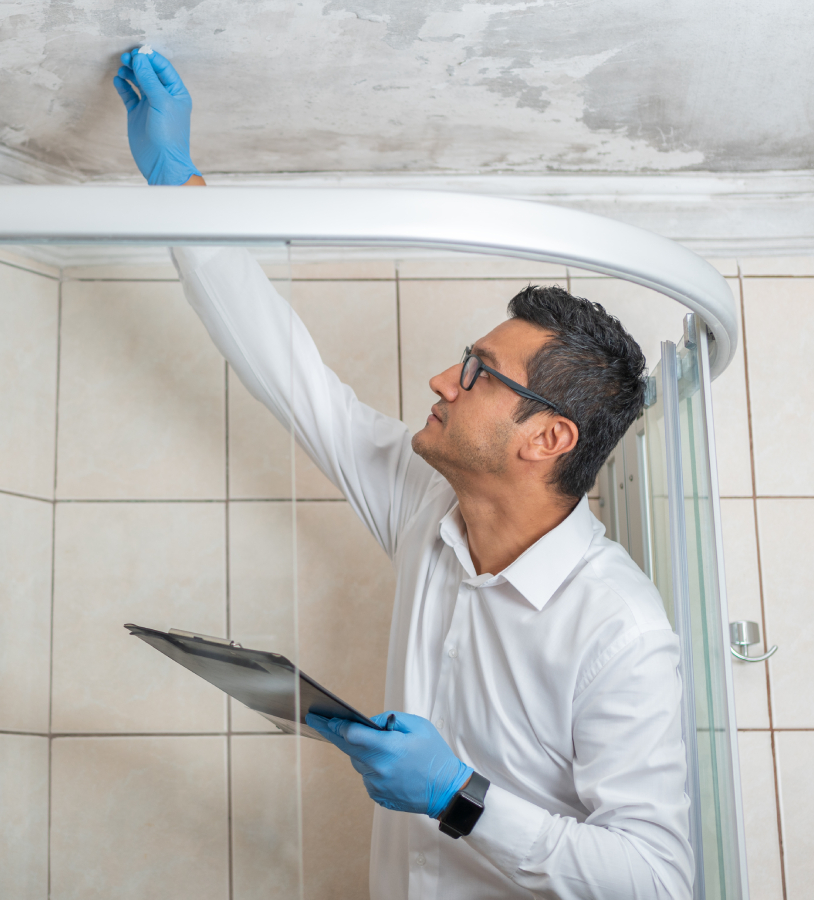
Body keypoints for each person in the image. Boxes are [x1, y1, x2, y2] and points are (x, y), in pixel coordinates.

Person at [114, 47, 694, 900]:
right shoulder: (427, 504)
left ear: (548, 437)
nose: (440, 381)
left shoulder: (621, 633)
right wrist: (177, 182)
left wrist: (461, 798)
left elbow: (657, 881)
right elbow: (293, 377)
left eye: (477, 372)